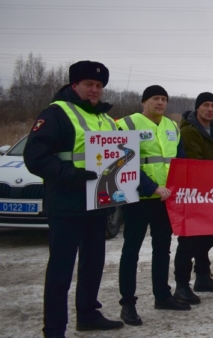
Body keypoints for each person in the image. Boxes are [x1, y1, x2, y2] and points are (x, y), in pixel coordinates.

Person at [24, 60, 124, 337]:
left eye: (99, 86)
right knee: (61, 270)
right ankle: (55, 328)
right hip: (67, 203)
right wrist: (71, 174)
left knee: (93, 264)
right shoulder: (57, 113)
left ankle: (88, 314)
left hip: (98, 203)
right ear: (74, 85)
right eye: (89, 84)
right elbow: (35, 157)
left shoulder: (106, 119)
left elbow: (119, 158)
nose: (94, 90)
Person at [116, 85, 190, 327]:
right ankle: (128, 304)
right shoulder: (127, 124)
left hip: (164, 199)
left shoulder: (171, 126)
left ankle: (162, 295)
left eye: (164, 99)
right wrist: (151, 187)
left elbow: (179, 160)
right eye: (155, 99)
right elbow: (123, 162)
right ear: (144, 102)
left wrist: (178, 187)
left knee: (162, 248)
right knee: (131, 251)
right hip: (138, 198)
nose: (160, 103)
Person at [174, 92, 213, 304]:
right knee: (189, 240)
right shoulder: (189, 132)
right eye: (206, 105)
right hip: (194, 192)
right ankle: (181, 285)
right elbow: (195, 162)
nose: (210, 109)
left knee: (208, 236)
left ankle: (203, 277)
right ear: (198, 107)